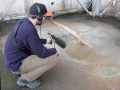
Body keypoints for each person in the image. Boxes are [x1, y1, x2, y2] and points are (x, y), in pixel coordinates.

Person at [4, 3, 60, 88]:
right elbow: (42, 53)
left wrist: (45, 41)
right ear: (39, 17)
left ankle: (26, 71)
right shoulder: (30, 31)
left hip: (11, 60)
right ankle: (25, 79)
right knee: (53, 58)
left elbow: (31, 40)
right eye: (45, 16)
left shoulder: (23, 21)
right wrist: (55, 50)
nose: (45, 19)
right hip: (16, 65)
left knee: (39, 50)